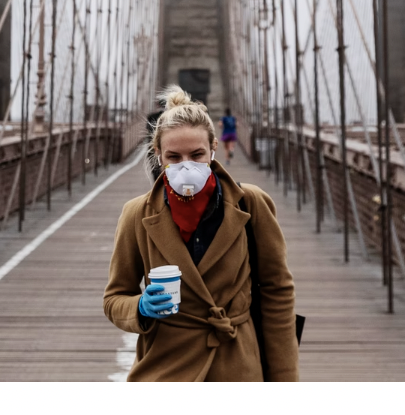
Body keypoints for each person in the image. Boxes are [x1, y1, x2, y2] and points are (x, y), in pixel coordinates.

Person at [103, 88, 298, 381]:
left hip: (237, 366)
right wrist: (140, 308)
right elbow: (114, 298)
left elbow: (277, 291)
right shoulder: (136, 214)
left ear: (213, 148)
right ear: (158, 154)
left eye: (197, 155)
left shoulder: (250, 203)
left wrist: (285, 379)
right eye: (174, 157)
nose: (186, 165)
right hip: (165, 367)